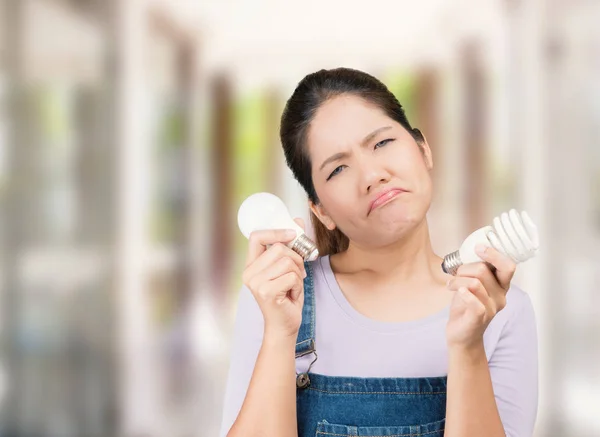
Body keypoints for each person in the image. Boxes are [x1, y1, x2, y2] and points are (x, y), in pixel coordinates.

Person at [219, 67, 538, 437]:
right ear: (321, 210)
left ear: (423, 149)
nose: (372, 175)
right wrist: (279, 334)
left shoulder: (502, 310)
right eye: (338, 168)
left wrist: (468, 348)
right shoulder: (276, 298)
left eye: (382, 143)